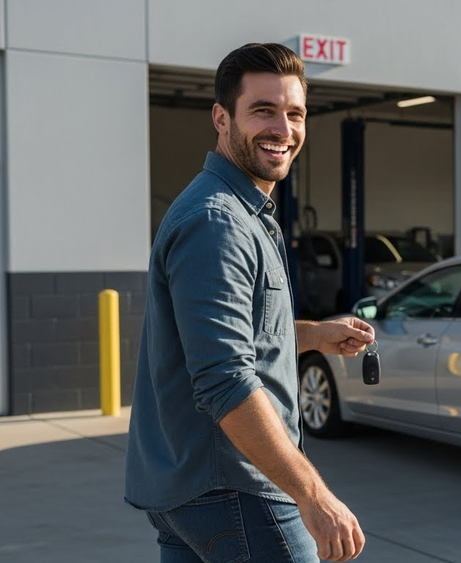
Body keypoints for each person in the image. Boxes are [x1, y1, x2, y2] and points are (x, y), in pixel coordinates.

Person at [125, 43, 373, 562]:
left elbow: (231, 337)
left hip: (190, 488)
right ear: (221, 118)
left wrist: (312, 335)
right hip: (236, 487)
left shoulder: (238, 211)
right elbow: (224, 378)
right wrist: (313, 494)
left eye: (295, 113)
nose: (283, 129)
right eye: (263, 110)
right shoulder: (218, 222)